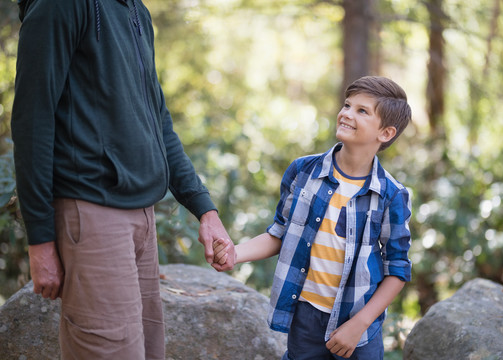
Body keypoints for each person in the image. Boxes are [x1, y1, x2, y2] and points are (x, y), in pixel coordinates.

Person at [11, 0, 234, 359]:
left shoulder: (135, 10)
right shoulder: (59, 6)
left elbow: (159, 123)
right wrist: (40, 240)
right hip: (91, 214)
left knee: (148, 350)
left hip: (142, 219)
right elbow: (31, 123)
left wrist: (204, 209)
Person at [215, 76, 412, 359]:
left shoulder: (391, 195)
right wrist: (235, 253)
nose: (346, 113)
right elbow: (278, 234)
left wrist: (360, 323)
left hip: (358, 320)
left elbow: (398, 269)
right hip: (305, 315)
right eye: (347, 105)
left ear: (386, 133)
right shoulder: (303, 171)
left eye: (362, 111)